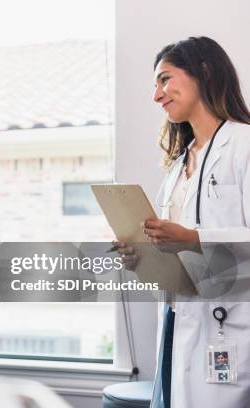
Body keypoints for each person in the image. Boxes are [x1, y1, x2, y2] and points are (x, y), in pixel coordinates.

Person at [115, 37, 250, 407]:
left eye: (164, 79)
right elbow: (174, 257)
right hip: (178, 319)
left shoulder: (244, 144)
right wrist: (142, 256)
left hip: (231, 321)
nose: (157, 95)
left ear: (203, 72)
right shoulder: (178, 167)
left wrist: (191, 237)